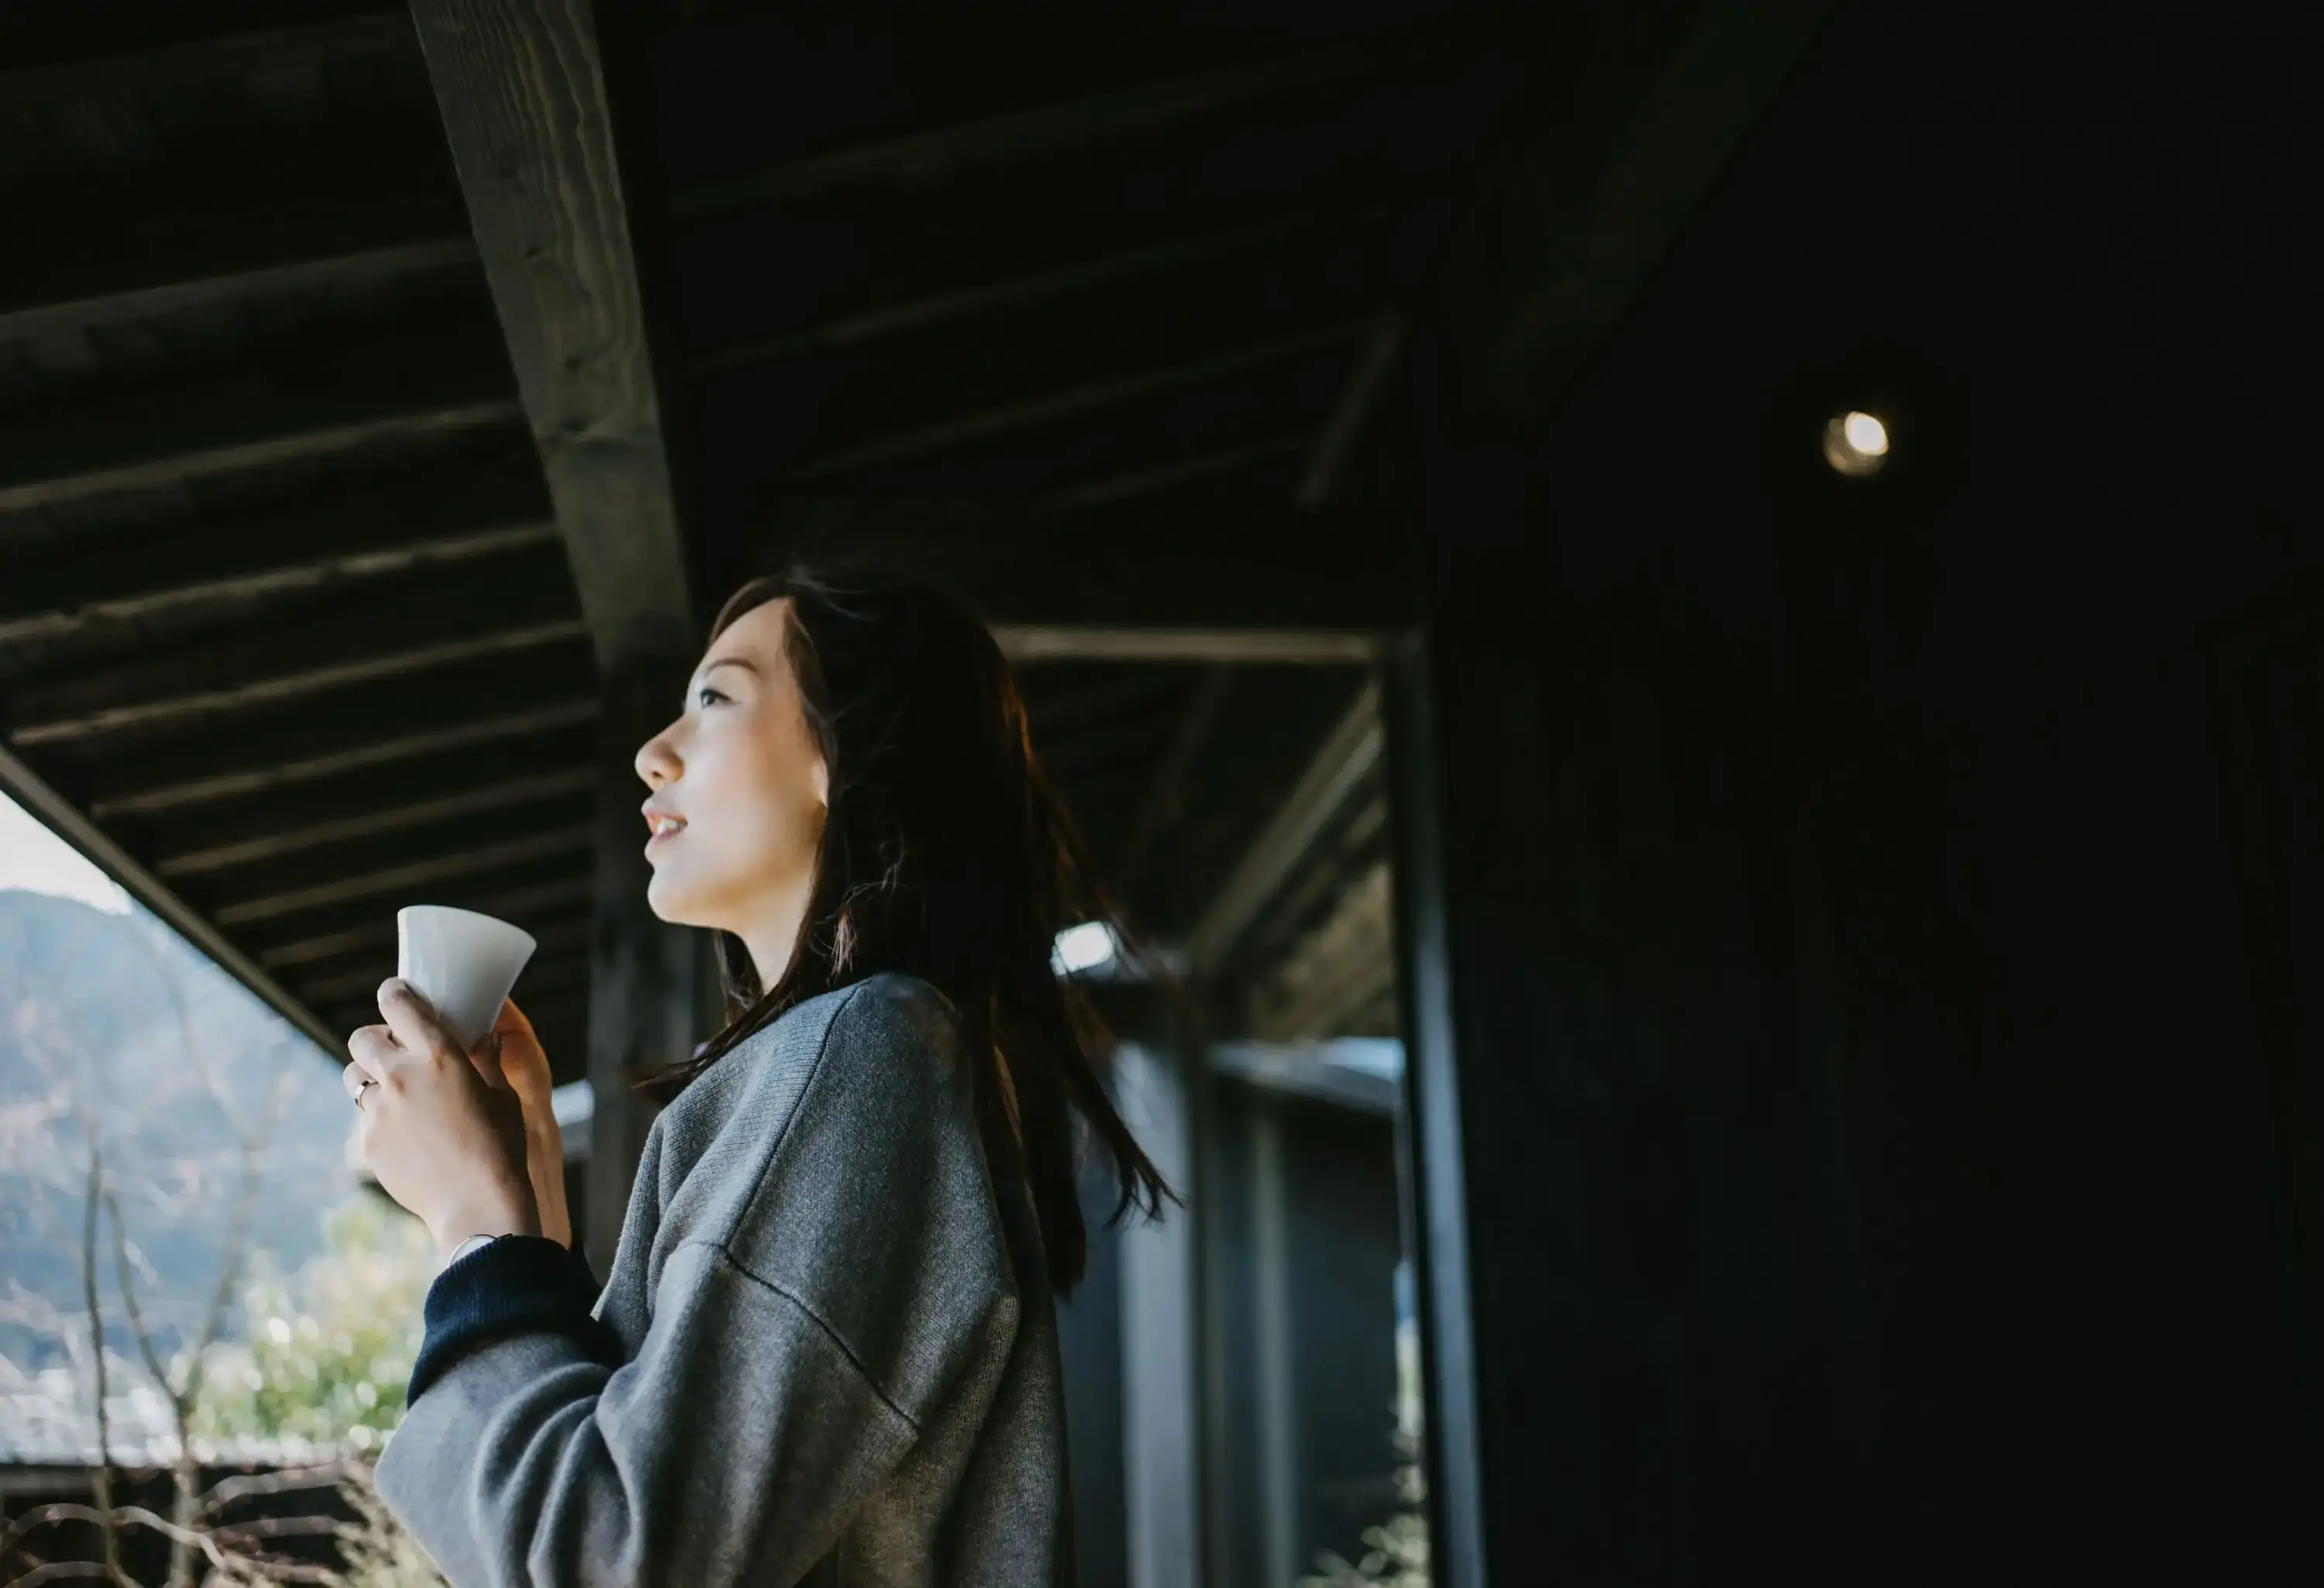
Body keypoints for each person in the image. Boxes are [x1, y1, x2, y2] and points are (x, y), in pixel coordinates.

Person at [338, 561, 1180, 1585]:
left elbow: (615, 1557)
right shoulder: (869, 1063)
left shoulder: (873, 1053)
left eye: (714, 698)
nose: (654, 753)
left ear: (846, 752)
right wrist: (534, 1227)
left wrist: (476, 1232)